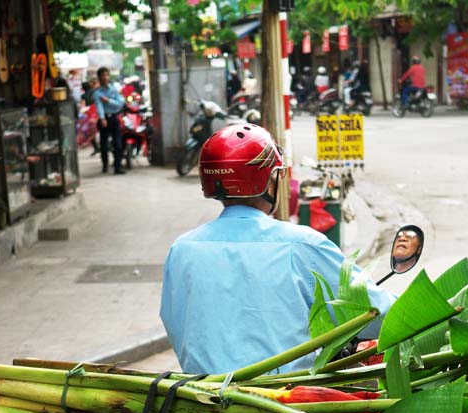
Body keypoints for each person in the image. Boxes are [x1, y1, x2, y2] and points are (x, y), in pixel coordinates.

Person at [160, 123, 395, 375]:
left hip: (200, 402)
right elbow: (380, 315)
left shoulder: (182, 249)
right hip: (286, 403)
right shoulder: (302, 246)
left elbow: (175, 324)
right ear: (270, 180)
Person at [93, 66, 125, 175]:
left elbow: (120, 103)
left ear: (109, 76)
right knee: (104, 145)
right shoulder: (97, 93)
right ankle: (105, 164)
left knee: (118, 143)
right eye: (102, 75)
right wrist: (102, 118)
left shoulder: (114, 89)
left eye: (106, 75)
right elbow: (99, 106)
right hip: (104, 119)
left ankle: (118, 166)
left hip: (114, 118)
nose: (105, 77)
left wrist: (108, 100)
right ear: (99, 77)